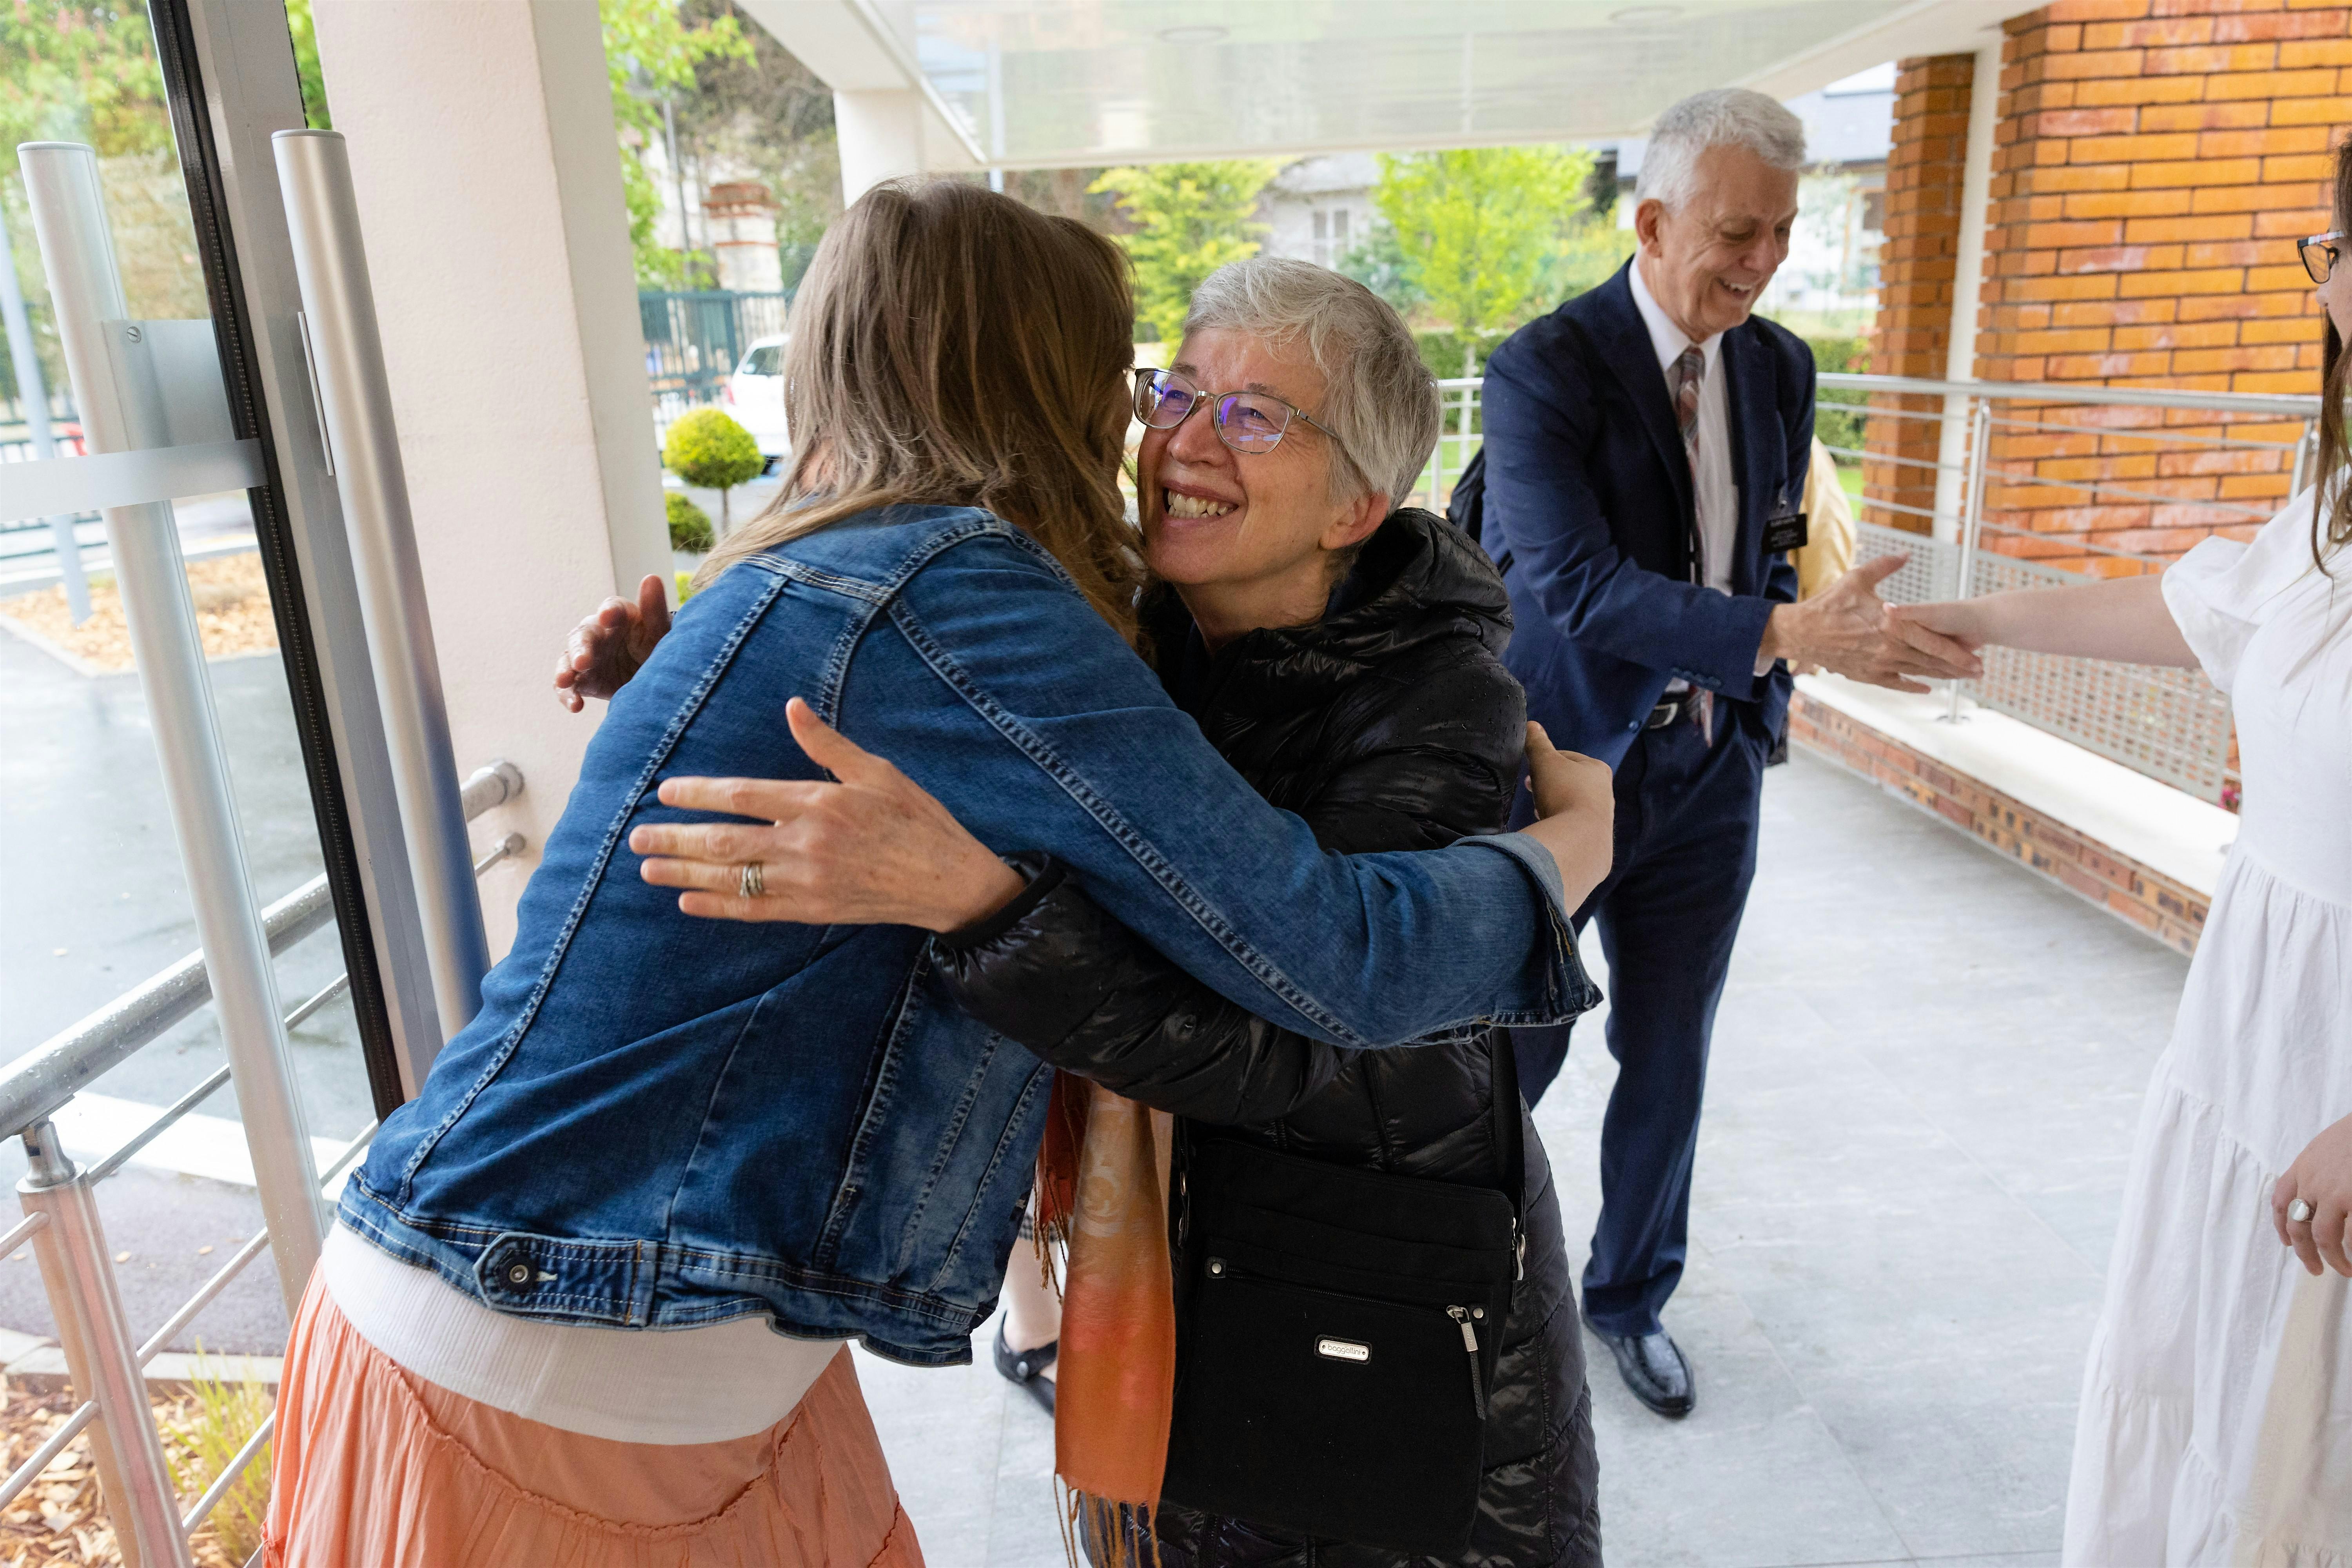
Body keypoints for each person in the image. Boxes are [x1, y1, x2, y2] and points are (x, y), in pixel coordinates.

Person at [269, 181, 1607, 1568]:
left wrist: (959, 887)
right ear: (1036, 368)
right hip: (567, 1355)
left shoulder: (884, 578)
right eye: (1160, 387)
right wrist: (1568, 852)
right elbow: (1341, 949)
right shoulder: (956, 593)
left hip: (609, 1331)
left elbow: (1334, 987)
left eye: (1254, 416)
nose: (1159, 430)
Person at [1460, 87, 1980, 1420]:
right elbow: (1576, 585)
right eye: (1738, 232)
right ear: (1651, 224)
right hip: (1559, 774)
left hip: (1708, 772)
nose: (1764, 261)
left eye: (1784, 232)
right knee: (1515, 1056)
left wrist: (1789, 659)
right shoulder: (1544, 370)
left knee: (1672, 1052)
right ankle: (1472, 1293)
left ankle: (1631, 1299)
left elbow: (1766, 552)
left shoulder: (1780, 368)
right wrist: (1786, 632)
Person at [1887, 140, 2351, 1566]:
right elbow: (2206, 611)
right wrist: (1973, 619)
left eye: (2336, 250)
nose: (2325, 285)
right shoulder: (2337, 502)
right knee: (2209, 1390)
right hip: (2259, 1030)